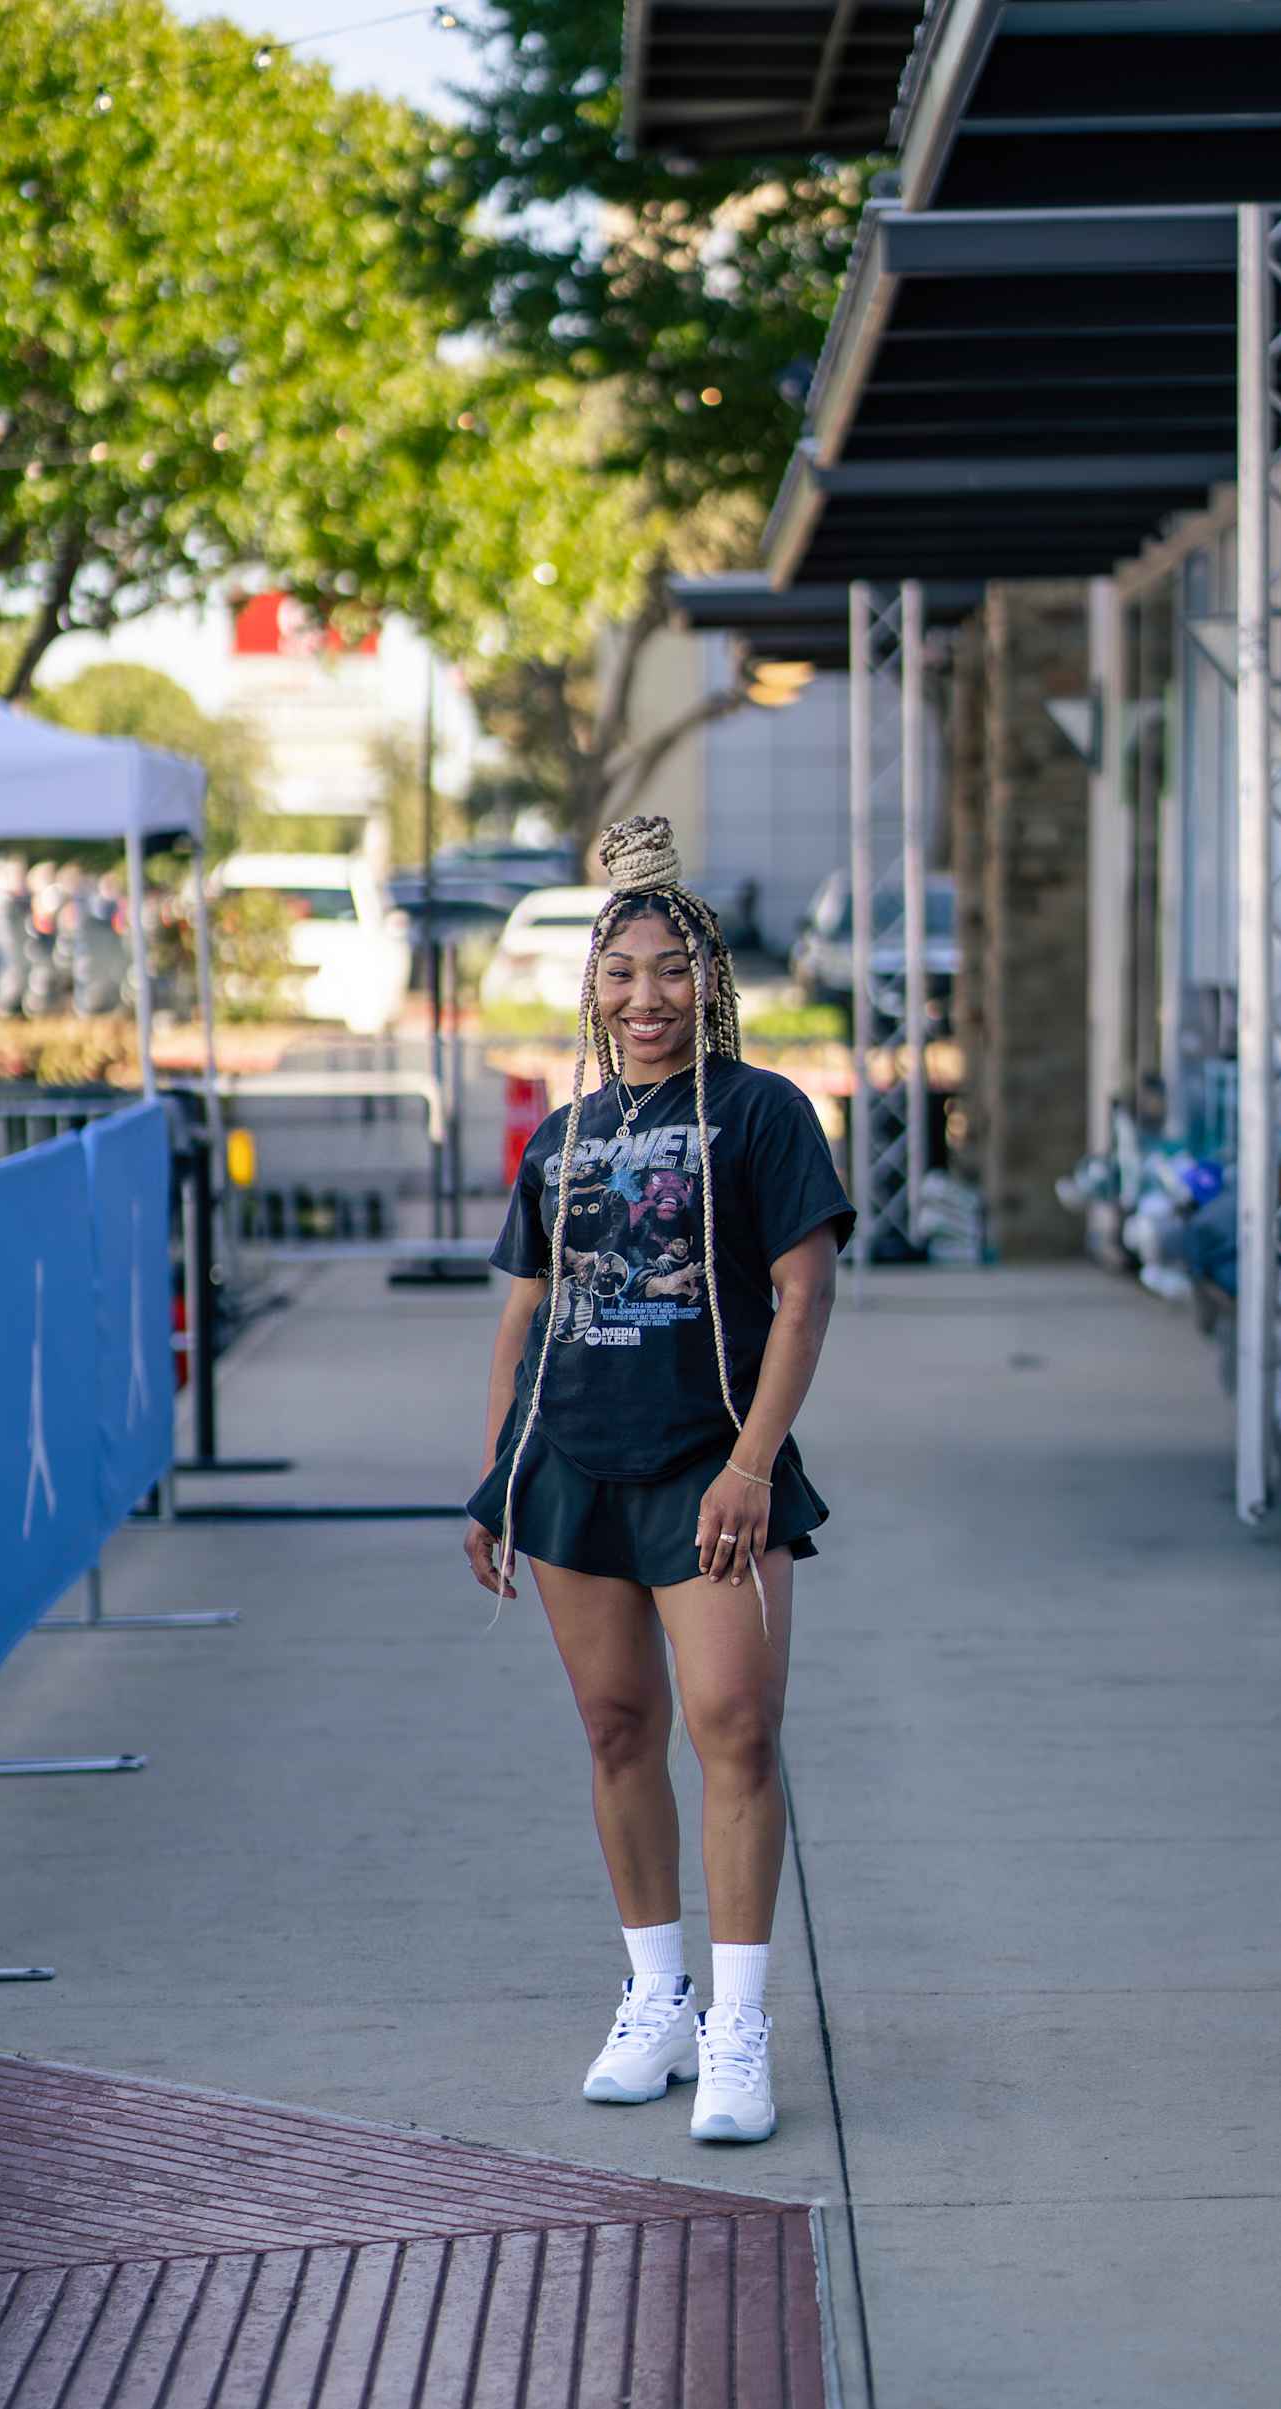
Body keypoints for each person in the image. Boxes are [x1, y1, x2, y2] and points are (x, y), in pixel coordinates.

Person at [464, 815, 854, 2145]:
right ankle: (658, 1998)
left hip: (710, 1467)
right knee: (618, 1732)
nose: (647, 998)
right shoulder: (560, 1134)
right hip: (574, 1466)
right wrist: (498, 1476)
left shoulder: (763, 1113)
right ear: (594, 989)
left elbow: (806, 1299)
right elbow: (525, 1313)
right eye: (622, 972)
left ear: (712, 981)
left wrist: (751, 1464)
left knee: (734, 1728)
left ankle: (741, 2027)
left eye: (671, 969)